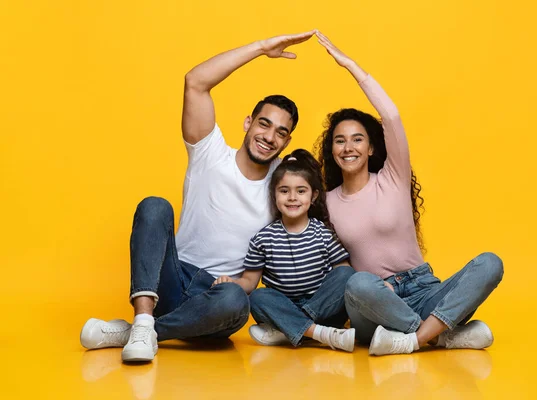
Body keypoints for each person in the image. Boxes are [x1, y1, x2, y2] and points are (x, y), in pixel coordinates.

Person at [79, 31, 316, 362]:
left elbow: (319, 200)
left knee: (236, 301)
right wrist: (262, 49)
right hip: (173, 279)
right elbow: (196, 81)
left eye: (281, 132)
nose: (269, 136)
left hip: (218, 298)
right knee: (154, 206)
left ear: (287, 142)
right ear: (248, 123)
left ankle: (138, 330)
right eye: (264, 124)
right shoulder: (210, 151)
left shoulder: (284, 184)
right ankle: (146, 318)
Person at [314, 32, 504, 356]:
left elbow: (391, 116)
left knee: (490, 263)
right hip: (373, 301)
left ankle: (414, 339)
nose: (349, 147)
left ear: (371, 147)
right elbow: (337, 266)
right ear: (331, 150)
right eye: (340, 140)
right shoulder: (326, 203)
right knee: (357, 283)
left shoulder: (393, 177)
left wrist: (351, 67)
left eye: (357, 139)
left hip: (424, 289)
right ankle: (441, 334)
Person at [213, 149, 356, 352]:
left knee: (347, 273)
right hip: (281, 306)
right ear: (274, 194)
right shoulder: (263, 238)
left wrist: (294, 315)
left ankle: (289, 329)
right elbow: (249, 282)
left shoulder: (322, 233)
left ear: (313, 196)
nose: (292, 197)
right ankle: (318, 334)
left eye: (300, 191)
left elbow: (344, 274)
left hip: (323, 308)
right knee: (258, 297)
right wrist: (231, 282)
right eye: (284, 190)